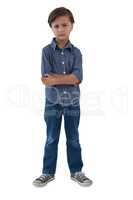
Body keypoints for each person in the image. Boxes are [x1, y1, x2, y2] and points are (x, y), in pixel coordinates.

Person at [33, 7, 92, 187]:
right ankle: (47, 172)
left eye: (64, 25)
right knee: (51, 138)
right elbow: (45, 80)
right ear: (51, 28)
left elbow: (78, 77)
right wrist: (66, 79)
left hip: (72, 103)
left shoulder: (77, 53)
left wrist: (56, 78)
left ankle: (77, 171)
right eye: (56, 25)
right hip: (52, 103)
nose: (61, 29)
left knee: (73, 138)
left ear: (71, 26)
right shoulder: (46, 52)